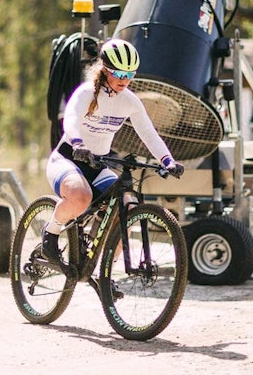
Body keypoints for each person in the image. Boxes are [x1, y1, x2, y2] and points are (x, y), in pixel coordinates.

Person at [43, 38, 184, 274]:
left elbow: (149, 134)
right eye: (118, 73)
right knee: (80, 197)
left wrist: (167, 161)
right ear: (105, 69)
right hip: (68, 159)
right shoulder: (88, 92)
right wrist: (78, 142)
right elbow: (71, 119)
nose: (124, 79)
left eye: (130, 74)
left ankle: (106, 274)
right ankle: (51, 233)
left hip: (97, 164)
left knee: (127, 208)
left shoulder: (130, 101)